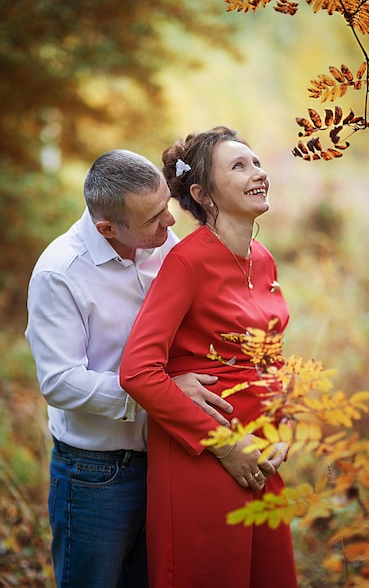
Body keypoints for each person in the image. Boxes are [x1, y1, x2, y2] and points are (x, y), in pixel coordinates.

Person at [25, 149, 233, 588]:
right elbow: (60, 382)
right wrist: (161, 393)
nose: (170, 224)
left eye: (166, 208)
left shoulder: (164, 246)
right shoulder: (60, 274)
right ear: (107, 228)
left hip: (168, 460)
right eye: (153, 219)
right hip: (96, 474)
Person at [120, 127, 298, 588]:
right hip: (205, 456)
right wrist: (223, 445)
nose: (258, 173)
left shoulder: (263, 257)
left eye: (256, 162)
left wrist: (285, 424)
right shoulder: (187, 262)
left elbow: (272, 355)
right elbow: (138, 371)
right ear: (202, 193)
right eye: (238, 166)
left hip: (261, 454)